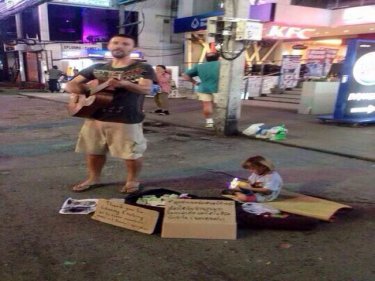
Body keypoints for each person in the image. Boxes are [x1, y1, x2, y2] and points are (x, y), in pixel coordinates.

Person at [65, 34, 156, 193]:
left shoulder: (142, 68)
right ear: (109, 45)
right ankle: (93, 178)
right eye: (115, 42)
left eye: (125, 43)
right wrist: (83, 91)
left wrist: (124, 83)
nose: (119, 46)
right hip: (94, 116)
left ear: (132, 48)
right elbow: (71, 84)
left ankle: (132, 181)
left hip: (126, 118)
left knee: (131, 153)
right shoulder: (97, 68)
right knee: (93, 151)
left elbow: (145, 88)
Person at [182, 52, 220, 128]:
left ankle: (209, 122)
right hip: (219, 88)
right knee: (222, 106)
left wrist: (195, 82)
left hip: (203, 88)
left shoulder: (200, 66)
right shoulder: (222, 64)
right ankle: (222, 122)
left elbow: (185, 75)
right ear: (218, 57)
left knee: (207, 105)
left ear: (206, 59)